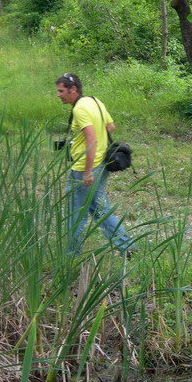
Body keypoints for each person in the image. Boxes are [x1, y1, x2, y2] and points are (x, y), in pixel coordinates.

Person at [55, 73, 134, 256]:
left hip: (85, 167)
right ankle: (126, 246)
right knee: (99, 208)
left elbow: (91, 139)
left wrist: (87, 171)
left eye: (61, 91)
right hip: (102, 164)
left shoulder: (80, 109)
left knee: (75, 213)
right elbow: (110, 127)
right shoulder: (94, 101)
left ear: (72, 89)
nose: (58, 95)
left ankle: (71, 255)